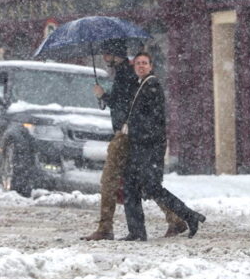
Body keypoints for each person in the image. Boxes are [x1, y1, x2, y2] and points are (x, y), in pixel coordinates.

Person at [82, 40, 187, 240]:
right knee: (142, 182)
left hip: (124, 136)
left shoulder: (125, 75)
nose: (104, 58)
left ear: (115, 54)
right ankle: (175, 218)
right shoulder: (126, 74)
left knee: (110, 180)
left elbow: (125, 105)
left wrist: (104, 96)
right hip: (131, 135)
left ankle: (106, 228)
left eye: (106, 54)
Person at [120, 52, 205, 241]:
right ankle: (136, 231)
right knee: (131, 186)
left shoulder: (152, 85)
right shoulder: (140, 85)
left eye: (145, 63)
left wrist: (136, 130)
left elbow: (152, 118)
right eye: (138, 63)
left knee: (151, 187)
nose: (141, 66)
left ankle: (189, 216)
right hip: (140, 145)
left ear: (151, 66)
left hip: (148, 147)